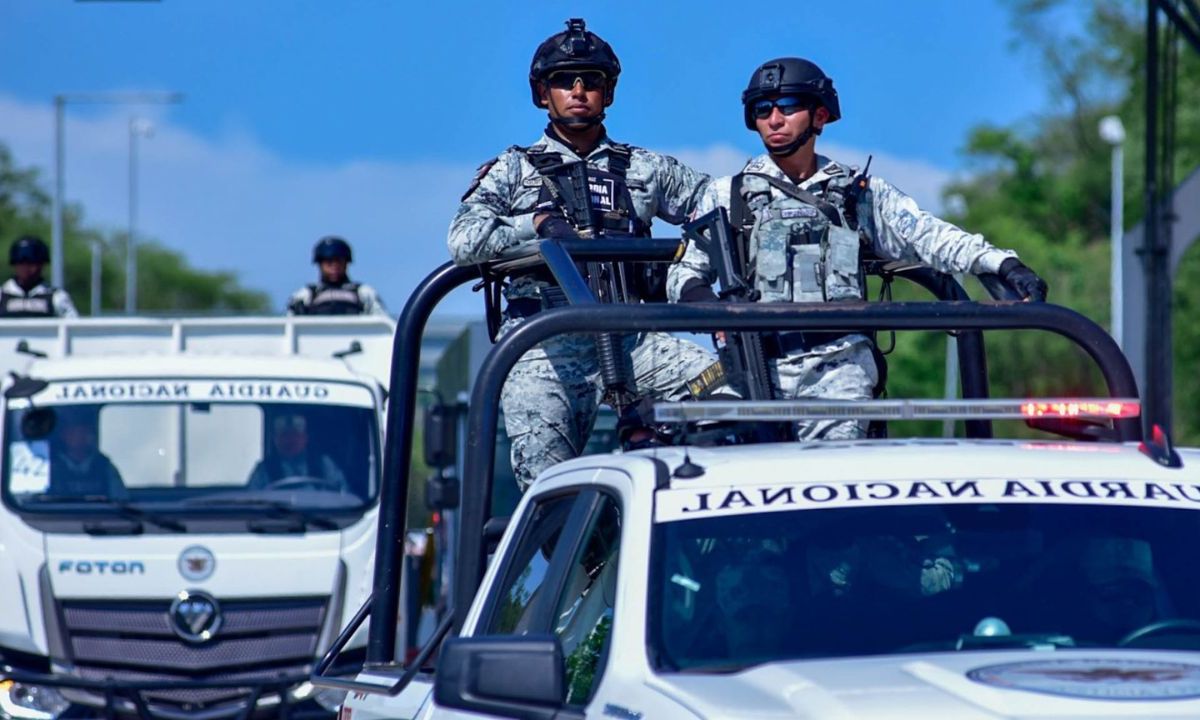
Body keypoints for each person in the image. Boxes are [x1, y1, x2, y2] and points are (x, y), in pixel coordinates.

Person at [668, 58, 1048, 440]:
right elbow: (683, 275)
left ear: (819, 116)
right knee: (714, 455)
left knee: (831, 477)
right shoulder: (727, 194)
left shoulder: (856, 193)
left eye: (787, 106)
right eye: (763, 109)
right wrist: (720, 314)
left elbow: (928, 235)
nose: (774, 119)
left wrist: (1001, 263)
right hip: (753, 362)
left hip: (838, 367)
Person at [447, 18, 722, 489]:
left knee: (723, 386)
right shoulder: (513, 170)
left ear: (608, 93)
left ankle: (662, 478)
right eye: (564, 81)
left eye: (591, 81)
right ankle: (598, 558)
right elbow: (462, 239)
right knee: (547, 484)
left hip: (631, 338)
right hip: (542, 344)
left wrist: (692, 279)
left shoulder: (645, 168)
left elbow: (719, 208)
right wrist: (534, 225)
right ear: (542, 93)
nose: (578, 90)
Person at [287, 236, 387, 316]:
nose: (334, 267)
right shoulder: (306, 295)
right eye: (329, 262)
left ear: (346, 263)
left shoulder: (363, 293)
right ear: (320, 264)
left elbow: (380, 322)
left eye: (339, 261)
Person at [247, 412, 346, 489]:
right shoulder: (264, 470)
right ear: (275, 440)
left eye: (295, 435)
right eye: (284, 435)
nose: (290, 440)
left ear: (305, 438)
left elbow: (342, 493)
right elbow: (253, 500)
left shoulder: (324, 464)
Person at [49, 408, 125, 498]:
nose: (78, 436)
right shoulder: (49, 467)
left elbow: (120, 499)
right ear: (63, 435)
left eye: (83, 431)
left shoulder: (104, 467)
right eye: (72, 432)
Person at [1, 235, 79, 318]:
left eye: (31, 262)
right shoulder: (2, 295)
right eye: (21, 262)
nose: (25, 267)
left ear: (42, 264)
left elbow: (74, 327)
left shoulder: (57, 297)